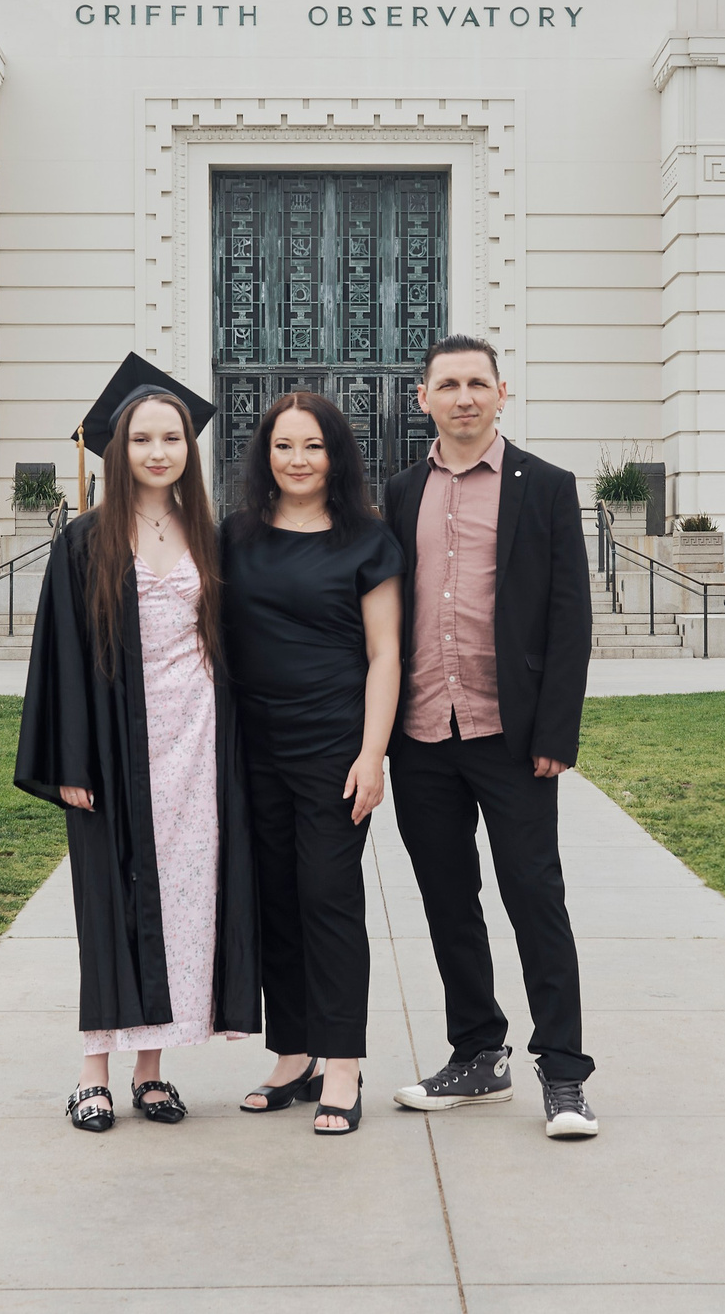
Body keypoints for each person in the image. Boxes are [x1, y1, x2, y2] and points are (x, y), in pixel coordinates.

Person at [14, 358, 258, 1133]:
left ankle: (153, 1071)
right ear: (116, 448)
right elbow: (59, 657)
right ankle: (93, 1071)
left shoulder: (207, 535)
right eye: (142, 438)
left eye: (172, 437)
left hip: (196, 743)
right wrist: (71, 763)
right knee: (108, 903)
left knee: (185, 908)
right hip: (116, 747)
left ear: (189, 445)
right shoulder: (84, 539)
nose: (158, 451)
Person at [381, 335, 600, 1139]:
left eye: (478, 382)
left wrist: (557, 733)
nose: (464, 396)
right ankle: (477, 1053)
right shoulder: (400, 492)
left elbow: (570, 619)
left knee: (535, 896)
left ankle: (566, 1074)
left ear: (502, 393)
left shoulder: (543, 486)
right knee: (448, 900)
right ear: (423, 397)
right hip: (422, 733)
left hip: (511, 736)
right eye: (449, 384)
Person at [221, 391, 404, 1137]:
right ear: (265, 455)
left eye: (313, 446)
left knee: (328, 899)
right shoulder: (234, 536)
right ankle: (293, 1055)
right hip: (251, 747)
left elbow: (386, 652)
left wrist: (373, 754)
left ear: (337, 455)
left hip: (333, 746)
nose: (297, 460)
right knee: (275, 902)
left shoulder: (367, 540)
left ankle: (344, 1062)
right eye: (283, 446)